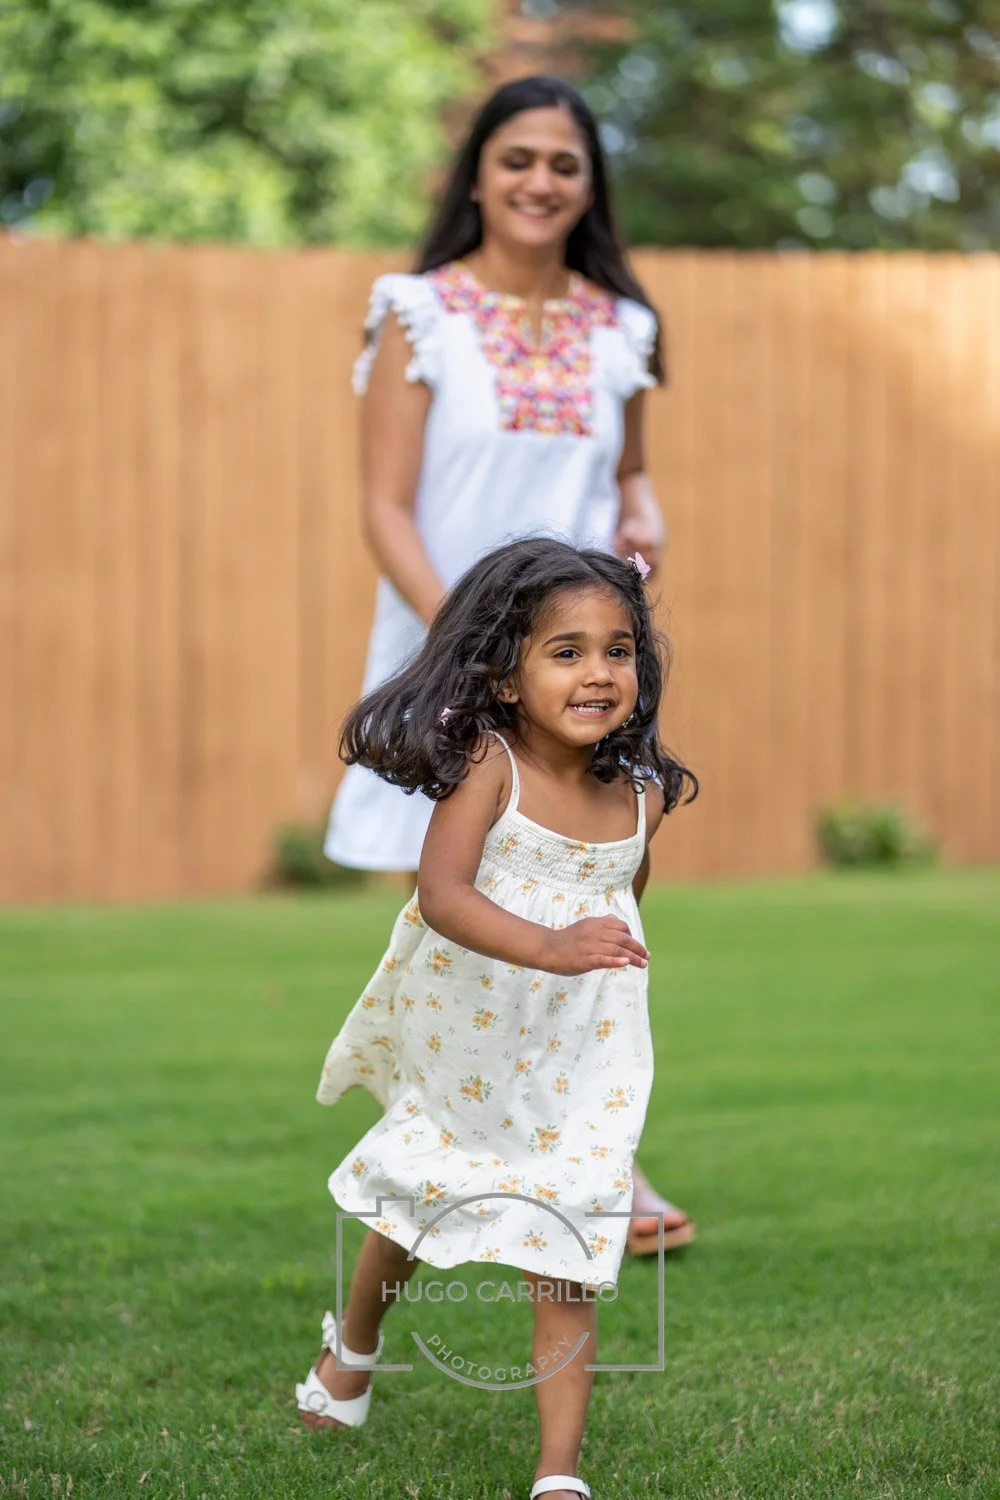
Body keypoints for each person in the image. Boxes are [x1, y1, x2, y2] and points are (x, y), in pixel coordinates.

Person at [326, 73, 694, 1253]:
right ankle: (457, 1166)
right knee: (462, 926)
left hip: (581, 666)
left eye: (564, 163)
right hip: (451, 658)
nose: (540, 181)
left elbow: (627, 476)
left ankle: (601, 1156)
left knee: (597, 901)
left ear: (590, 185)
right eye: (518, 157)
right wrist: (469, 656)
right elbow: (386, 510)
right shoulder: (416, 314)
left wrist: (644, 510)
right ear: (478, 171)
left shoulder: (621, 327)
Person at [298, 539, 698, 1500]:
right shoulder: (491, 766)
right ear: (506, 676)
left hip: (582, 1054)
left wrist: (589, 957)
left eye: (618, 650)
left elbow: (623, 897)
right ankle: (353, 1343)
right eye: (566, 651)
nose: (599, 672)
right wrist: (553, 946)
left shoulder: (639, 793)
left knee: (570, 1238)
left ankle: (558, 1474)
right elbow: (441, 892)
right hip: (470, 1030)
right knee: (418, 1197)